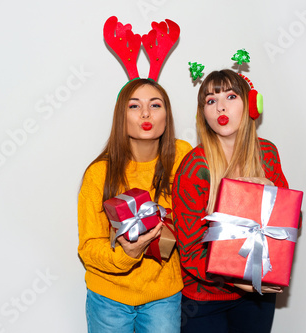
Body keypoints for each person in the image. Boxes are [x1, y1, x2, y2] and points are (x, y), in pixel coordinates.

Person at [172, 69, 290, 333]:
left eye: (231, 96)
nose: (220, 107)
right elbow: (189, 252)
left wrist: (273, 194)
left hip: (257, 295)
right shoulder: (194, 167)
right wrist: (240, 282)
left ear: (250, 104)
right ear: (203, 113)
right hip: (203, 301)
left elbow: (289, 225)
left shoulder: (267, 154)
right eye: (211, 101)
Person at [78, 78, 192, 333]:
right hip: (109, 296)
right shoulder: (99, 173)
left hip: (163, 295)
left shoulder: (183, 156)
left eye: (155, 105)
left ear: (167, 115)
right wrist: (125, 255)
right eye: (134, 106)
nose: (145, 113)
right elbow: (87, 247)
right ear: (121, 116)